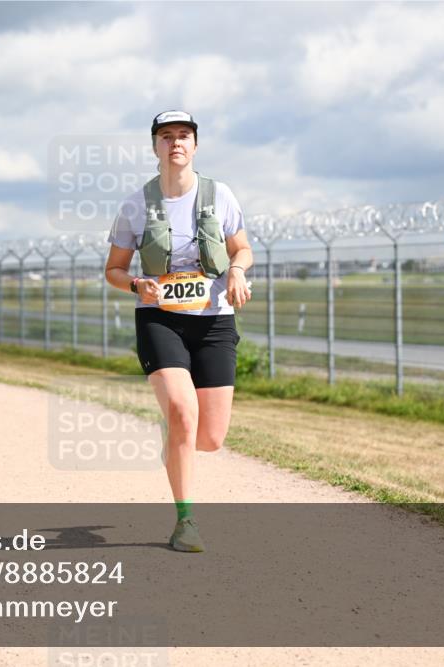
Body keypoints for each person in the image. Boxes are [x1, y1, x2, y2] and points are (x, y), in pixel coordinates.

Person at [105, 111, 253, 552]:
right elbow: (113, 269)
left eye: (184, 136)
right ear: (155, 147)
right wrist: (135, 283)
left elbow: (241, 247)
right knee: (184, 414)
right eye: (166, 136)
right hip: (160, 318)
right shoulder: (136, 204)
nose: (176, 143)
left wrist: (239, 272)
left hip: (214, 320)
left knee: (209, 437)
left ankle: (176, 439)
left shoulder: (219, 195)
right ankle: (185, 522)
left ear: (195, 145)